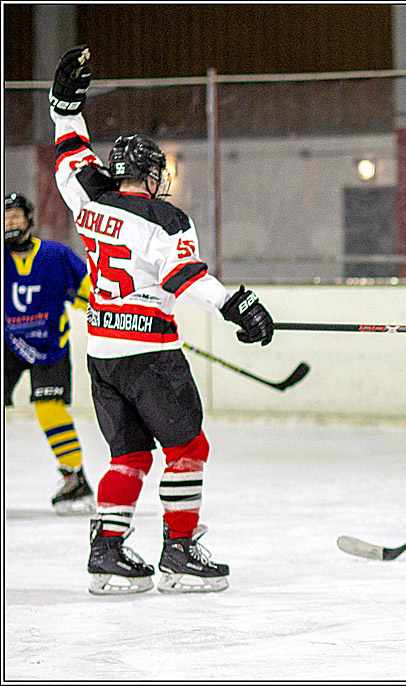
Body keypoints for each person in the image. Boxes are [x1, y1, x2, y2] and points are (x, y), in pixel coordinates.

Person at [49, 46, 275, 595]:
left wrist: (64, 105)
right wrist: (235, 306)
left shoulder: (87, 198)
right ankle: (178, 550)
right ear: (148, 176)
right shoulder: (168, 219)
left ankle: (107, 550)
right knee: (188, 451)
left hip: (101, 354)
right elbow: (184, 280)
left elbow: (69, 152)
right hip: (151, 355)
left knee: (127, 455)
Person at [5, 192, 96, 515]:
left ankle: (75, 479)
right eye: (6, 217)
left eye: (16, 215)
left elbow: (88, 292)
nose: (10, 222)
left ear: (29, 220)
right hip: (8, 344)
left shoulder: (56, 255)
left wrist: (113, 314)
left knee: (50, 411)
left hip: (49, 345)